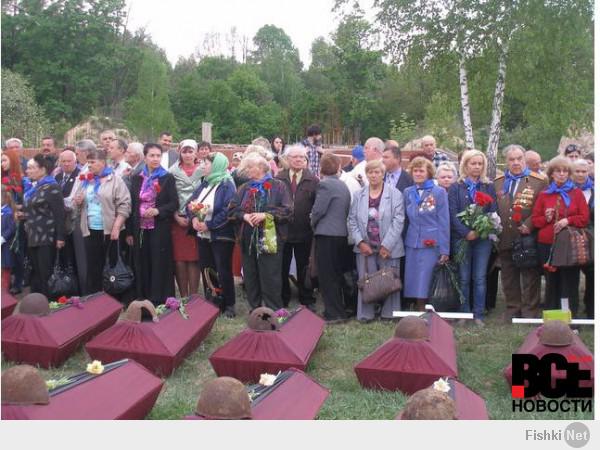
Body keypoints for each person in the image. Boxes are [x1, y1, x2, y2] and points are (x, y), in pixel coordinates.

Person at [228, 153, 292, 310]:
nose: (247, 170)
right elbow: (231, 210)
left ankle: (273, 310)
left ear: (262, 167)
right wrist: (244, 216)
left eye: (251, 166)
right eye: (246, 167)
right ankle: (255, 309)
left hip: (270, 238)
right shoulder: (244, 188)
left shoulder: (279, 186)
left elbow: (288, 210)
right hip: (247, 237)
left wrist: (266, 215)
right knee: (250, 275)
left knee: (270, 275)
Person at [494, 145, 547, 321]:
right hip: (505, 234)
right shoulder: (499, 182)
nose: (515, 162)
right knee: (508, 274)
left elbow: (542, 206)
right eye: (511, 159)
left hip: (526, 235)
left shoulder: (538, 181)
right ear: (506, 161)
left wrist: (529, 224)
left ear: (525, 159)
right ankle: (512, 308)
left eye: (519, 159)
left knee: (530, 275)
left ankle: (530, 310)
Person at [348, 159, 405, 322]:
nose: (373, 175)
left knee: (390, 281)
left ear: (383, 174)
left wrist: (387, 245)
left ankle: (389, 313)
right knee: (366, 281)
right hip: (365, 246)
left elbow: (398, 220)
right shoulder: (359, 195)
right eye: (370, 172)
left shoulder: (395, 194)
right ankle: (366, 314)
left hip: (389, 246)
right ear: (366, 174)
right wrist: (360, 242)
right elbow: (352, 219)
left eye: (377, 172)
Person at [531, 157, 589, 314]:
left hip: (568, 245)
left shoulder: (576, 193)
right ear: (552, 174)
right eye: (558, 171)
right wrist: (547, 218)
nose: (562, 174)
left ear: (569, 174)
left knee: (569, 282)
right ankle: (551, 318)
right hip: (547, 244)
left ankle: (570, 318)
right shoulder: (544, 194)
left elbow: (584, 218)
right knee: (551, 282)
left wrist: (567, 220)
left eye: (565, 171)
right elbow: (536, 221)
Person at [448, 149, 497, 327]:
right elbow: (452, 213)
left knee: (480, 277)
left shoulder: (488, 186)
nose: (476, 167)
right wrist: (466, 232)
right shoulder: (456, 187)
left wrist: (480, 229)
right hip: (462, 238)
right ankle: (464, 312)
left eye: (479, 164)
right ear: (465, 165)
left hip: (482, 239)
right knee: (463, 277)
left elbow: (493, 212)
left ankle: (478, 313)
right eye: (473, 163)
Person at [73, 149, 131, 294]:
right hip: (90, 228)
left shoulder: (115, 179)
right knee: (93, 265)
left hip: (110, 230)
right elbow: (78, 205)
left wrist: (117, 227)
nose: (89, 165)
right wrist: (78, 202)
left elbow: (125, 205)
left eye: (92, 162)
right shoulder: (86, 181)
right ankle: (95, 297)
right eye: (88, 162)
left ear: (103, 162)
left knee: (111, 265)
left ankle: (113, 297)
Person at [128, 143, 178, 305]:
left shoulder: (166, 177)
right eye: (152, 155)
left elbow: (173, 203)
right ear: (145, 157)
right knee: (142, 261)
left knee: (158, 261)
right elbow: (131, 205)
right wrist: (129, 231)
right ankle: (143, 296)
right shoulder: (137, 178)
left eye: (158, 156)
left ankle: (159, 299)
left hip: (159, 227)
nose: (155, 159)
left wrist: (158, 211)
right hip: (140, 227)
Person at [188, 152, 237, 317]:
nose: (203, 166)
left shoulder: (227, 184)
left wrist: (208, 225)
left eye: (206, 164)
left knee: (222, 269)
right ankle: (212, 300)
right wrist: (194, 219)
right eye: (202, 163)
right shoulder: (205, 183)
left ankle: (228, 303)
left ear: (216, 166)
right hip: (202, 235)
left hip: (220, 235)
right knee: (207, 268)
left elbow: (227, 210)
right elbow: (192, 203)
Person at [402, 157, 450, 311]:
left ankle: (426, 308)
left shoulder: (439, 192)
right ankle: (416, 306)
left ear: (429, 172)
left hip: (431, 242)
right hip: (412, 241)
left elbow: (444, 221)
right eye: (415, 171)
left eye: (421, 170)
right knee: (414, 277)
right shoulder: (408, 192)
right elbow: (405, 219)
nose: (418, 173)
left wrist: (444, 249)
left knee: (426, 278)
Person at [275, 145, 319, 311]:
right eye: (295, 157)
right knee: (282, 267)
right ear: (288, 159)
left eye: (302, 157)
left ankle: (306, 298)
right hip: (283, 232)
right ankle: (283, 298)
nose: (299, 160)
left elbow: (317, 205)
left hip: (304, 232)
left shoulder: (313, 180)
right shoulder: (279, 178)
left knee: (304, 267)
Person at [311, 153, 351, 323]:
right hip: (341, 234)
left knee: (327, 276)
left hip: (327, 234)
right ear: (338, 167)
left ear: (322, 168)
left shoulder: (325, 185)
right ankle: (340, 310)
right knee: (336, 274)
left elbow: (318, 210)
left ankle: (333, 313)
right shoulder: (343, 185)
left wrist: (312, 222)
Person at [20, 154, 65, 297]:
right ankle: (39, 302)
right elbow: (35, 209)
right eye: (28, 168)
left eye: (32, 168)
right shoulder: (36, 187)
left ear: (43, 169)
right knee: (37, 272)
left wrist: (60, 237)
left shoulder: (52, 187)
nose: (28, 171)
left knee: (46, 272)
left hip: (47, 236)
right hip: (33, 236)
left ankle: (50, 302)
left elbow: (59, 214)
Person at [169, 139, 203, 298]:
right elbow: (167, 196)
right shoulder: (172, 171)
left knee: (194, 258)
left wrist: (197, 216)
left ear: (196, 152)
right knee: (180, 258)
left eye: (191, 151)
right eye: (185, 151)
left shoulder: (203, 170)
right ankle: (183, 295)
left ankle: (194, 295)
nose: (188, 155)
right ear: (179, 153)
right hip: (178, 219)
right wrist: (175, 215)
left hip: (197, 220)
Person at [1, 149, 26, 294]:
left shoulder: (21, 180)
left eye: (4, 160)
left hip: (16, 222)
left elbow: (25, 201)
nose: (1, 164)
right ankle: (6, 282)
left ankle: (18, 282)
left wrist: (16, 208)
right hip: (3, 220)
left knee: (17, 252)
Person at [572, 158, 594, 318]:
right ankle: (571, 311)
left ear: (589, 172)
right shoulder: (566, 190)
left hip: (592, 239)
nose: (580, 174)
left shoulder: (594, 190)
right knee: (571, 275)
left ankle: (592, 309)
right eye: (577, 171)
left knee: (593, 275)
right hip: (571, 238)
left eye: (583, 171)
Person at [1, 185, 16, 289]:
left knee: (5, 269)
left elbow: (11, 229)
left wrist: (2, 238)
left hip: (5, 245)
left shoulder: (8, 211)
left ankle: (4, 293)